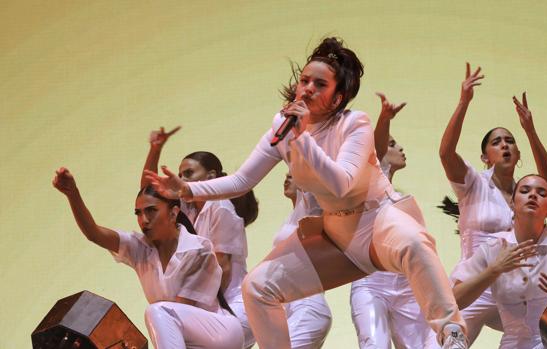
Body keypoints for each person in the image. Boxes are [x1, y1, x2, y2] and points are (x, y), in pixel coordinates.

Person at [146, 37, 468, 349]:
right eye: (304, 81)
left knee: (414, 242)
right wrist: (188, 189)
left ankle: (451, 334)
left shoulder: (354, 123)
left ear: (337, 98)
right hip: (337, 233)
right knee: (257, 288)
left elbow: (340, 182)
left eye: (320, 84)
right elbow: (242, 180)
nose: (308, 89)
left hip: (378, 218)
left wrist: (302, 139)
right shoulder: (281, 125)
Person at [52, 167, 243, 349]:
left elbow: (181, 310)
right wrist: (73, 194)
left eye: (151, 210)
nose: (143, 219)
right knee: (159, 312)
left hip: (221, 336)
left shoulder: (198, 249)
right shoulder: (139, 247)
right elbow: (94, 233)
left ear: (173, 212)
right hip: (187, 339)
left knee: (157, 311)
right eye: (138, 213)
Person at [438, 63, 547, 344]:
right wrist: (463, 102)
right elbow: (445, 153)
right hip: (474, 284)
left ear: (517, 153)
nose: (504, 145)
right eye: (497, 142)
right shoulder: (473, 184)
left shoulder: (525, 194)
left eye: (510, 141)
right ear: (485, 157)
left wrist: (529, 130)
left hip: (514, 286)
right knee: (450, 342)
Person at [141, 127, 258, 348]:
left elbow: (221, 267)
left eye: (188, 173)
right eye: (180, 173)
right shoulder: (189, 208)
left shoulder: (220, 206)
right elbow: (149, 195)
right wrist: (155, 149)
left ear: (211, 177)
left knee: (165, 316)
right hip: (211, 310)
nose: (181, 178)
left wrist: (187, 305)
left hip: (234, 311)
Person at [451, 174, 547, 348]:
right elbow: (454, 301)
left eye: (542, 193)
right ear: (512, 204)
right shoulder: (493, 247)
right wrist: (494, 270)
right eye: (525, 191)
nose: (533, 195)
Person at [349, 93, 435, 349]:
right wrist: (385, 119)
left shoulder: (400, 198)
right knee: (375, 344)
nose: (400, 148)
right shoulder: (366, 183)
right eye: (393, 144)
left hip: (407, 285)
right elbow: (373, 151)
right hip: (372, 283)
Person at [271, 173, 332, 349]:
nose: (287, 178)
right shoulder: (291, 217)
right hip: (290, 307)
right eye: (285, 175)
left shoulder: (313, 210)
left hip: (307, 306)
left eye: (292, 175)